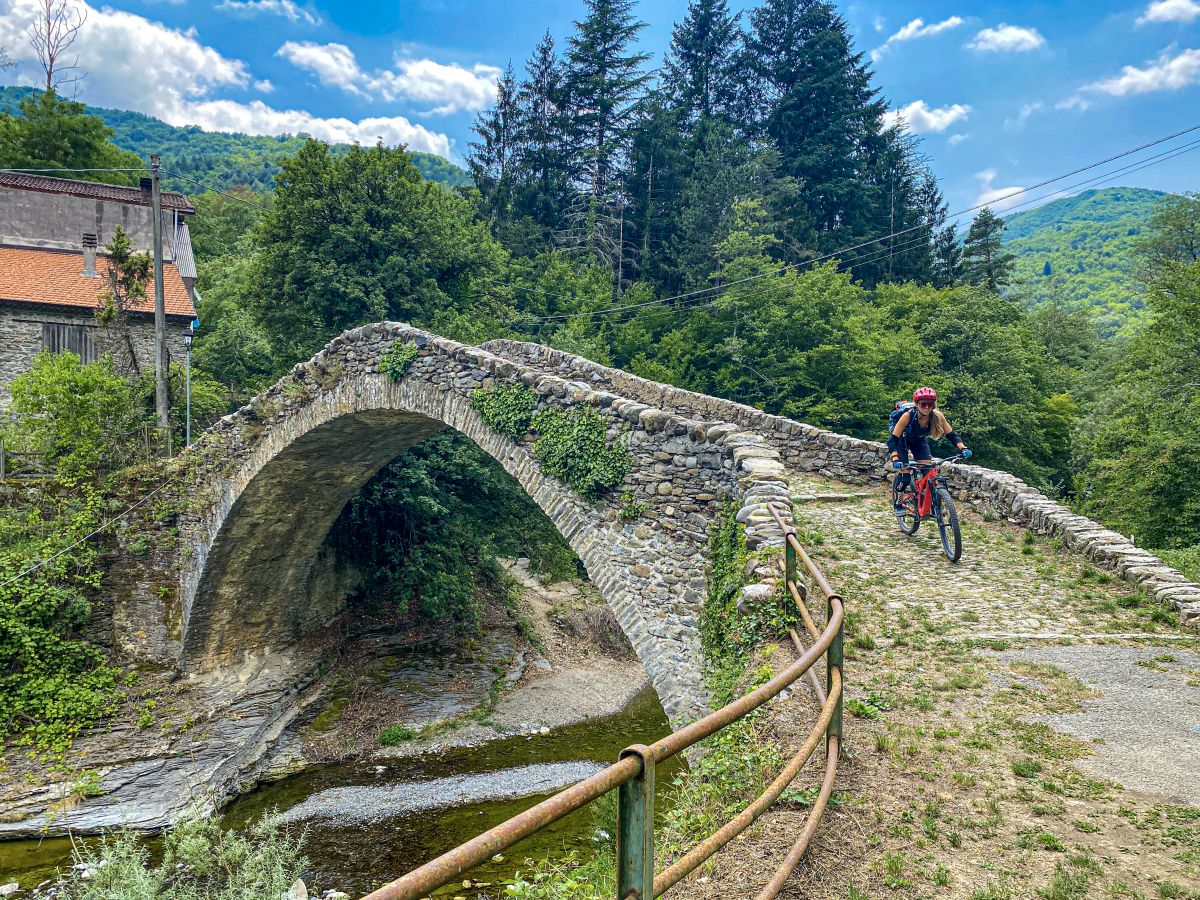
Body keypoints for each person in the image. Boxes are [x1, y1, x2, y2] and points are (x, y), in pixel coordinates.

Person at [888, 387, 972, 509]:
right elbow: (893, 440)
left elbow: (951, 434)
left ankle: (929, 504)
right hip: (901, 441)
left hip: (919, 441)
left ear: (934, 404)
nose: (927, 407)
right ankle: (899, 501)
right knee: (905, 477)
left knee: (929, 474)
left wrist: (963, 448)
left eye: (930, 404)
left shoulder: (937, 416)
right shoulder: (907, 416)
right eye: (923, 404)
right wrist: (895, 458)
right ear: (917, 404)